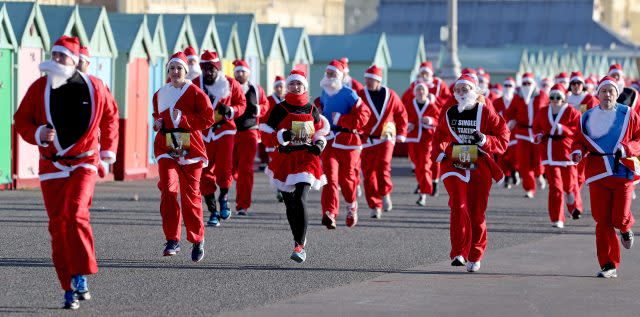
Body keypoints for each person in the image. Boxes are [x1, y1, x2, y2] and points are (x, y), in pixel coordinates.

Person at [14, 36, 119, 309]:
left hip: (84, 161)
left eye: (63, 57)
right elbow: (21, 120)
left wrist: (108, 152)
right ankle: (68, 285)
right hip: (52, 165)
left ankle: (82, 273)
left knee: (75, 213)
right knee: (58, 226)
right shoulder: (40, 88)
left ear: (74, 61)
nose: (57, 60)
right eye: (55, 55)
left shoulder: (94, 87)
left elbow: (110, 115)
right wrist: (38, 133)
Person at [432, 74, 509, 273]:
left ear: (474, 90)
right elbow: (439, 134)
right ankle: (459, 252)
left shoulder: (485, 111)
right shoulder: (450, 111)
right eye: (458, 90)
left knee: (476, 212)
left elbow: (503, 136)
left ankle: (475, 254)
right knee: (458, 204)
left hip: (479, 162)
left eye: (465, 89)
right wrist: (441, 151)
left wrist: (484, 140)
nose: (461, 93)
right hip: (455, 159)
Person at [571, 76, 639, 278]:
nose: (607, 94)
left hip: (622, 170)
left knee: (619, 218)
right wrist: (577, 152)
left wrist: (627, 148)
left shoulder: (628, 114)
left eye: (611, 91)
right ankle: (609, 264)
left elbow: (638, 138)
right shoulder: (586, 117)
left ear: (617, 94)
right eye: (604, 91)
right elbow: (579, 141)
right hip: (598, 171)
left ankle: (626, 228)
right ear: (597, 94)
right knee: (602, 220)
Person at [152, 52, 214, 263]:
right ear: (167, 71)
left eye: (179, 68)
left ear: (186, 71)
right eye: (172, 68)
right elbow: (157, 117)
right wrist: (158, 124)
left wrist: (185, 120)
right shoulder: (160, 93)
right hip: (166, 146)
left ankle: (197, 239)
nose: (175, 72)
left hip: (191, 149)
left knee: (191, 196)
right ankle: (172, 239)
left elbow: (208, 119)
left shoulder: (196, 93)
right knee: (168, 190)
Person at [263, 69, 329, 262]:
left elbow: (319, 132)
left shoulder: (311, 109)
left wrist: (319, 144)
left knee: (300, 198)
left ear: (304, 87)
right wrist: (281, 136)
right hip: (285, 159)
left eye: (299, 84)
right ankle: (298, 237)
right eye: (292, 84)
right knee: (290, 204)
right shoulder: (279, 108)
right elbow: (265, 132)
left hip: (307, 159)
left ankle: (299, 246)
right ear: (287, 86)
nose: (295, 87)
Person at [193, 50, 246, 227]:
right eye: (205, 68)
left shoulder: (230, 83)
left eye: (211, 69)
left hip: (224, 130)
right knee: (203, 171)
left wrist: (231, 111)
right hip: (203, 133)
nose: (208, 72)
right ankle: (213, 211)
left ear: (218, 68)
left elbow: (242, 104)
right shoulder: (195, 84)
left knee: (224, 169)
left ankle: (223, 197)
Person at [317, 60, 371, 228]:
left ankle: (351, 205)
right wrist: (317, 109)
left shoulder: (350, 94)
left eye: (333, 74)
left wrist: (342, 119)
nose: (329, 76)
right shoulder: (324, 92)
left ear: (340, 76)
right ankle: (330, 213)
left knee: (347, 179)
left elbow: (365, 115)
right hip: (330, 140)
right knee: (329, 178)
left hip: (348, 142)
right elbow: (322, 104)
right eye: (328, 73)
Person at [358, 65, 408, 218]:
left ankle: (385, 193)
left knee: (383, 166)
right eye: (366, 79)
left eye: (371, 79)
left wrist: (402, 132)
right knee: (368, 173)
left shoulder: (390, 95)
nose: (368, 82)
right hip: (367, 140)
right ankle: (374, 205)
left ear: (378, 80)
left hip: (386, 137)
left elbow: (401, 113)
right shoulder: (360, 94)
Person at [533, 84, 583, 228]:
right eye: (552, 97)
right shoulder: (543, 111)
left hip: (566, 152)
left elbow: (577, 130)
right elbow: (537, 127)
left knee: (569, 185)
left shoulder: (572, 111)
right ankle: (557, 218)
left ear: (564, 98)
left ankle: (573, 204)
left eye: (558, 97)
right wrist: (538, 135)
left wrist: (563, 129)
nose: (555, 100)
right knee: (555, 187)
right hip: (549, 152)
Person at [401, 61, 452, 196]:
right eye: (422, 73)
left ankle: (433, 183)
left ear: (431, 74)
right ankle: (423, 183)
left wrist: (435, 99)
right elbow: (405, 103)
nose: (424, 76)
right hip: (416, 132)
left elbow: (449, 102)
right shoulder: (415, 85)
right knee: (418, 161)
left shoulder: (439, 84)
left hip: (435, 128)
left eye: (426, 73)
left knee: (432, 159)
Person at [231, 59, 269, 216]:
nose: (240, 74)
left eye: (243, 71)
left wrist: (258, 109)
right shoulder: (229, 88)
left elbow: (266, 105)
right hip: (230, 133)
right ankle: (224, 196)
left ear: (248, 73)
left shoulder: (256, 89)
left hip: (250, 133)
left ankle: (242, 205)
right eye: (237, 71)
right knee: (229, 169)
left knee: (246, 169)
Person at [505, 72, 548, 198]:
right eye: (524, 83)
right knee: (524, 163)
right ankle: (529, 188)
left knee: (538, 159)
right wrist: (511, 121)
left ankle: (540, 174)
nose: (526, 85)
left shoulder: (542, 95)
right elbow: (509, 113)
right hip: (522, 133)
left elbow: (549, 110)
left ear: (534, 83)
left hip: (538, 133)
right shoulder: (518, 97)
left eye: (529, 83)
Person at [404, 82, 440, 206]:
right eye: (418, 89)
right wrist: (408, 125)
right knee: (418, 167)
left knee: (425, 166)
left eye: (423, 90)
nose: (420, 92)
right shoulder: (409, 105)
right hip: (413, 140)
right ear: (415, 92)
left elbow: (438, 120)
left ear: (426, 92)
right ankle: (422, 187)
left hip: (427, 140)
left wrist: (429, 120)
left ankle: (423, 194)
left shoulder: (431, 106)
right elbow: (404, 118)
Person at [493, 77, 522, 188]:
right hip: (501, 134)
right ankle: (506, 177)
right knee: (501, 157)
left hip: (514, 133)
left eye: (510, 86)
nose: (508, 88)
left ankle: (514, 171)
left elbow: (521, 114)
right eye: (506, 86)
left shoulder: (517, 100)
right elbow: (493, 115)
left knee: (514, 156)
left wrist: (515, 121)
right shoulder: (497, 101)